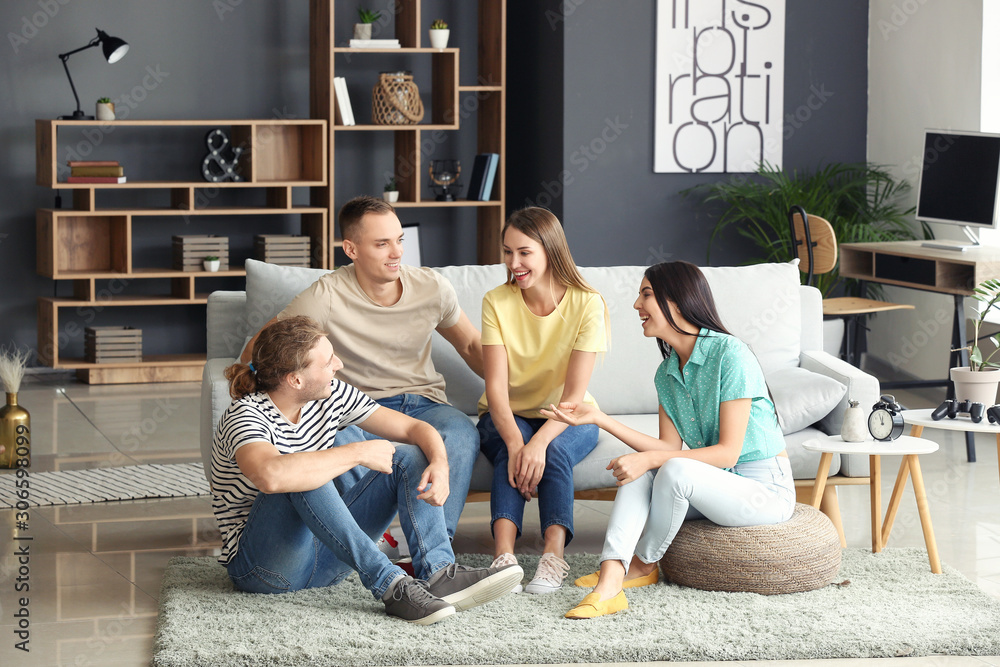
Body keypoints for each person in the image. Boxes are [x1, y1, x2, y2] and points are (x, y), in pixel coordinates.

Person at [214, 316, 522, 625]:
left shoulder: (331, 393)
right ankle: (391, 585)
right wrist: (358, 452)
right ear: (296, 379)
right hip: (265, 570)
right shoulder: (246, 415)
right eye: (327, 362)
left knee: (410, 457)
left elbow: (415, 428)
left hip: (327, 560)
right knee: (302, 473)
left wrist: (440, 463)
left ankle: (439, 571)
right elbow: (271, 475)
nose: (338, 364)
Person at [541, 260, 796, 619]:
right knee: (644, 472)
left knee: (670, 470)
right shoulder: (666, 372)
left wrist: (652, 460)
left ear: (677, 300)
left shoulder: (731, 354)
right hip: (718, 485)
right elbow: (667, 448)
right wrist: (600, 418)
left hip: (765, 490)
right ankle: (611, 580)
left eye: (645, 294)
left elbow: (728, 452)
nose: (636, 306)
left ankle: (643, 564)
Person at [242, 195, 482, 540]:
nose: (397, 252)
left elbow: (472, 345)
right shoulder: (326, 295)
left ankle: (434, 553)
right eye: (382, 244)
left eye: (399, 240)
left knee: (461, 434)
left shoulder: (432, 288)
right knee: (335, 438)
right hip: (360, 410)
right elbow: (259, 349)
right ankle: (364, 542)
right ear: (351, 249)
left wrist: (520, 388)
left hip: (426, 405)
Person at [477, 207, 609, 595]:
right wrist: (520, 444)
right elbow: (497, 391)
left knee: (552, 453)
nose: (513, 263)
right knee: (509, 450)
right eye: (506, 252)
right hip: (506, 413)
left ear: (550, 251)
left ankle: (554, 556)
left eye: (524, 252)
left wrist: (538, 443)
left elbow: (571, 398)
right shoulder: (495, 302)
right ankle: (504, 558)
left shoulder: (588, 303)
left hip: (572, 415)